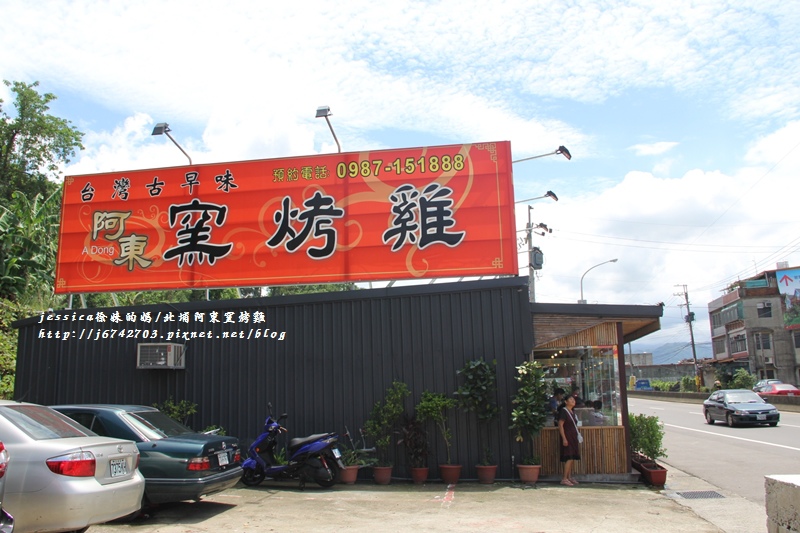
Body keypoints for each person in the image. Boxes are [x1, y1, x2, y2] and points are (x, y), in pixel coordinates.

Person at [558, 395, 581, 486]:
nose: (573, 400)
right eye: (570, 399)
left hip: (573, 436)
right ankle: (564, 478)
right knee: (569, 457)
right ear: (566, 402)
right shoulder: (564, 411)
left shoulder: (572, 412)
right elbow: (560, 425)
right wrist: (564, 438)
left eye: (573, 399)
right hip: (567, 436)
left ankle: (569, 477)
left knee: (572, 458)